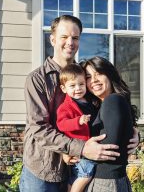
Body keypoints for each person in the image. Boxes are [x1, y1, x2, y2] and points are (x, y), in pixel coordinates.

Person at [19, 15, 139, 192]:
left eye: (75, 38)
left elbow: (104, 113)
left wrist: (132, 132)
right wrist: (82, 148)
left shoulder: (84, 75)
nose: (70, 42)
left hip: (78, 169)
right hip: (43, 169)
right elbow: (39, 128)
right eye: (64, 37)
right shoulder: (37, 79)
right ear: (52, 39)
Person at [80, 56, 137, 192]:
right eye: (88, 77)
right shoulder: (105, 104)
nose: (93, 80)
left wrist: (79, 151)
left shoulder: (112, 101)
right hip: (111, 181)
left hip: (106, 183)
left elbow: (108, 148)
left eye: (98, 74)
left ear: (110, 75)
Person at [56, 64, 97, 192]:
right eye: (72, 86)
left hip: (88, 145)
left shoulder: (89, 101)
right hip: (80, 148)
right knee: (86, 175)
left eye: (81, 84)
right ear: (63, 88)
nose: (78, 88)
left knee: (76, 176)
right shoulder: (66, 107)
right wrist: (78, 121)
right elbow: (61, 124)